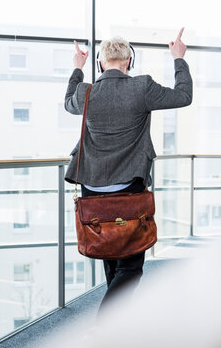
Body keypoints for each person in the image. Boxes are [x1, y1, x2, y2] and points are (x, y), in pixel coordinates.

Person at [64, 28, 193, 312]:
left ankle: (113, 325)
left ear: (100, 64)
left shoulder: (86, 92)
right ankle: (106, 323)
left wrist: (77, 68)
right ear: (128, 63)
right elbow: (183, 96)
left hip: (93, 190)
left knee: (110, 250)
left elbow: (67, 103)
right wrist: (178, 58)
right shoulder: (141, 87)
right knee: (131, 264)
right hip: (128, 190)